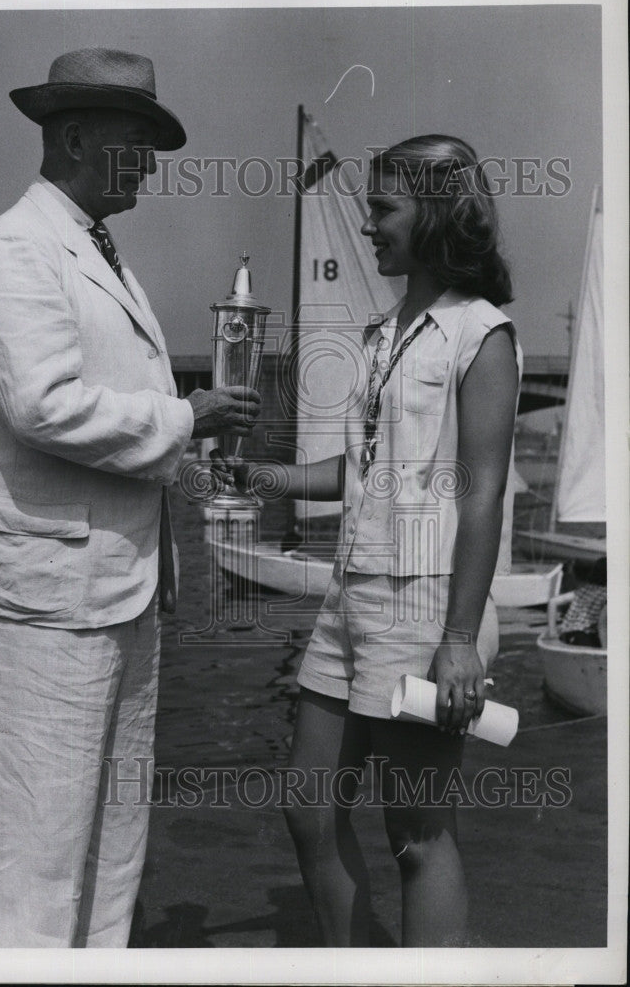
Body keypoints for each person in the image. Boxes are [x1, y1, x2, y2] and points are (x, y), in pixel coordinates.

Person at [0, 47, 260, 948]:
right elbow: (43, 407)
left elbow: (101, 413)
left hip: (116, 597)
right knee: (33, 856)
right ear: (72, 139)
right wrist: (185, 417)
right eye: (135, 143)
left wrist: (183, 437)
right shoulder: (14, 251)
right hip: (37, 604)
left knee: (112, 851)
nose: (150, 164)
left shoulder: (90, 253)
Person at [215, 135, 521, 945]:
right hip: (350, 595)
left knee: (416, 836)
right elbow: (366, 471)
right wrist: (262, 479)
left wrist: (458, 640)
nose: (367, 227)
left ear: (438, 213)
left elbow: (482, 493)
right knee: (308, 812)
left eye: (382, 209)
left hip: (424, 606)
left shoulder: (479, 336)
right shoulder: (383, 334)